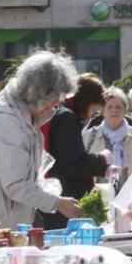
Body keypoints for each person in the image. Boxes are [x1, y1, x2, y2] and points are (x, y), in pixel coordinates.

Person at [0, 51, 83, 229]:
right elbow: (16, 185)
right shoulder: (8, 121)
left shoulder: (22, 114)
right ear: (37, 93)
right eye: (54, 99)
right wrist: (57, 203)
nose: (56, 105)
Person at [40, 73, 109, 229]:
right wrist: (102, 161)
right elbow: (73, 163)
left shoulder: (60, 114)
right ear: (88, 101)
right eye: (95, 109)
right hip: (65, 199)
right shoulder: (67, 118)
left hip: (55, 194)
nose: (93, 115)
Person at [83, 86, 132, 190]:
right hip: (98, 200)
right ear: (102, 111)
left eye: (118, 107)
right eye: (109, 107)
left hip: (130, 198)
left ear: (125, 111)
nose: (114, 111)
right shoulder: (88, 137)